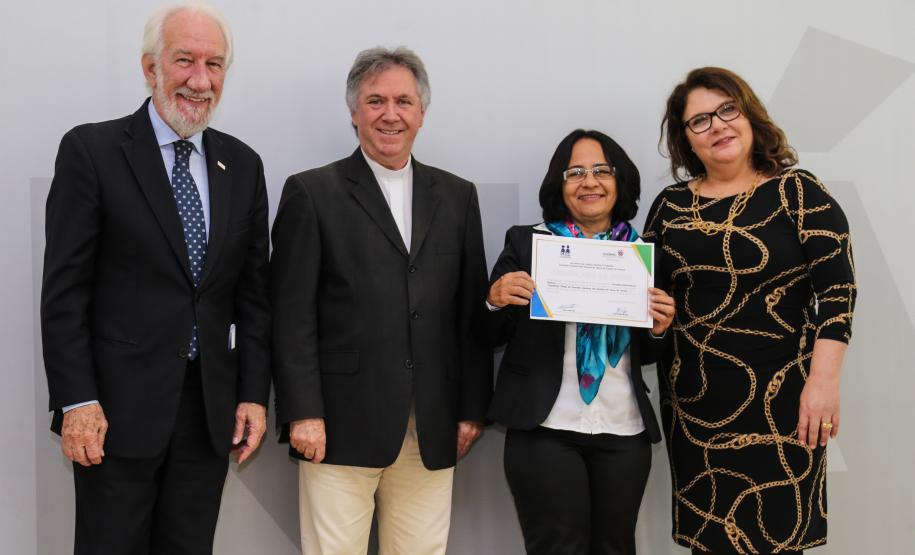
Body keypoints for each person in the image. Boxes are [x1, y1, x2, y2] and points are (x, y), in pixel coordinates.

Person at [40, 3, 271, 553]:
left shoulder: (243, 165)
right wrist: (78, 402)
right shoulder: (92, 151)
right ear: (150, 68)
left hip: (207, 415)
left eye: (214, 65)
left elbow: (253, 296)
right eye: (185, 61)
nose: (200, 79)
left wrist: (252, 395)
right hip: (113, 416)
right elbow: (65, 293)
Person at [270, 46, 492, 555]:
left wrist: (471, 410)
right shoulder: (311, 192)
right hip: (337, 428)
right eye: (375, 101)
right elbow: (291, 315)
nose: (390, 114)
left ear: (421, 113)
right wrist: (303, 411)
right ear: (354, 112)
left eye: (403, 101)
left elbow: (468, 315)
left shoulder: (458, 196)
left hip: (432, 429)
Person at [643, 67, 856, 554]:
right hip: (695, 410)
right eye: (699, 121)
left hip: (786, 405)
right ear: (686, 141)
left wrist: (823, 385)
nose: (717, 126)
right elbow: (646, 301)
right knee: (710, 543)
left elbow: (838, 294)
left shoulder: (800, 193)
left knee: (777, 539)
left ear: (749, 116)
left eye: (726, 110)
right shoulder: (670, 207)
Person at [483, 129, 676, 555]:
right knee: (557, 547)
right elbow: (487, 335)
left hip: (623, 428)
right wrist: (495, 300)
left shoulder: (645, 254)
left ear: (620, 181)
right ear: (559, 184)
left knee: (615, 547)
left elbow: (651, 354)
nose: (589, 182)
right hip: (545, 428)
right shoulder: (527, 243)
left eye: (601, 171)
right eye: (575, 173)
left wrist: (660, 329)